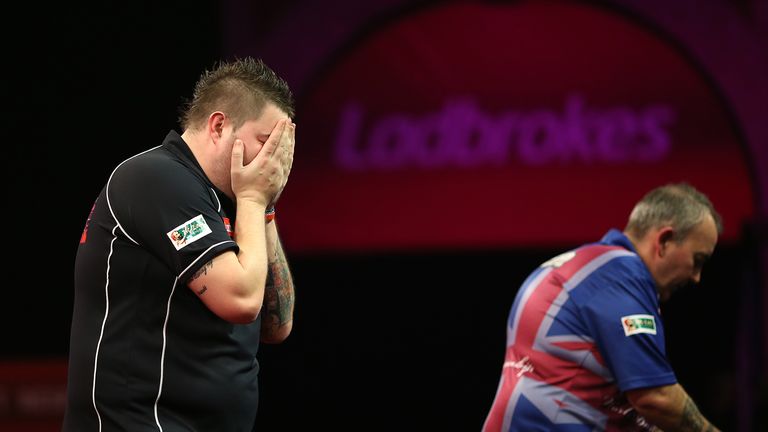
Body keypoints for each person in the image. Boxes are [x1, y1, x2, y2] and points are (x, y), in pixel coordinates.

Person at [63, 57, 297, 431]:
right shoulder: (156, 179)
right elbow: (240, 300)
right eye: (267, 142)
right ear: (219, 126)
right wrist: (255, 198)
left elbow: (276, 325)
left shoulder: (229, 198)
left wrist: (264, 208)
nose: (276, 161)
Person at [483, 183, 722, 432]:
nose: (696, 277)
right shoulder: (621, 277)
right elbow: (656, 399)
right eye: (697, 260)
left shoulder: (590, 269)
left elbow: (608, 402)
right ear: (664, 241)